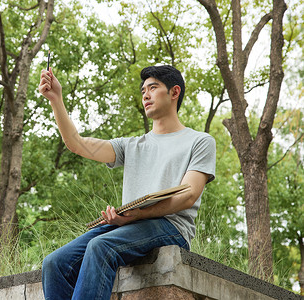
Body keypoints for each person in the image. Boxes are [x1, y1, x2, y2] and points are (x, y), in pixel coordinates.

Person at [38, 65, 216, 300]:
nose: (145, 95)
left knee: (101, 247)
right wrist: (55, 99)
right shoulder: (130, 145)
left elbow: (188, 196)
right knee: (54, 263)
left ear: (174, 93)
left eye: (153, 88)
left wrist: (138, 215)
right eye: (143, 90)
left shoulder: (200, 141)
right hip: (128, 225)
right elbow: (76, 143)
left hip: (170, 227)